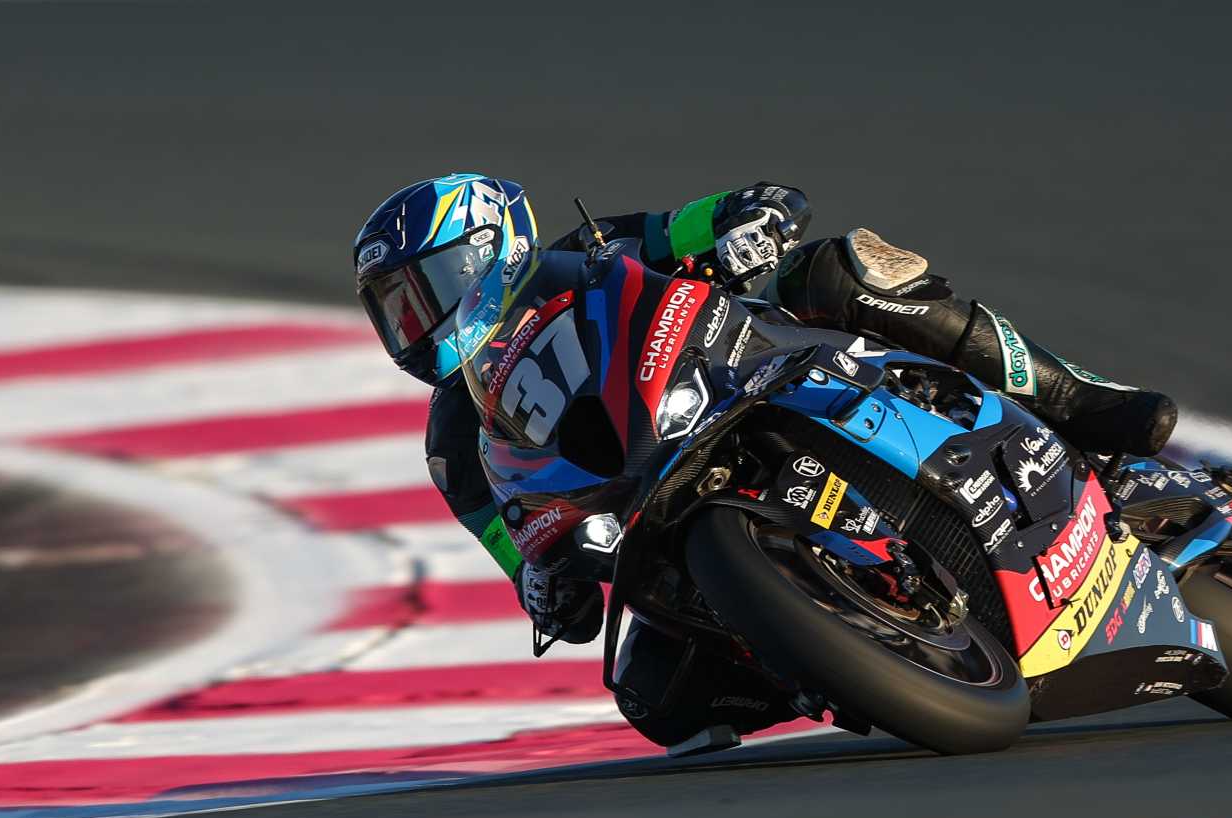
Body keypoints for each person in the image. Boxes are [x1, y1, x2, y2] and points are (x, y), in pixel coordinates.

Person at [351, 173, 1178, 724]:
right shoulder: (455, 445)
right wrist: (543, 587)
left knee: (835, 271)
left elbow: (723, 214)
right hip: (642, 505)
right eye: (396, 308)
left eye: (425, 290)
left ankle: (1074, 396)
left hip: (741, 374)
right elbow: (519, 553)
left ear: (486, 247)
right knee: (656, 701)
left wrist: (754, 221)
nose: (414, 321)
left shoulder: (594, 250)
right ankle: (842, 654)